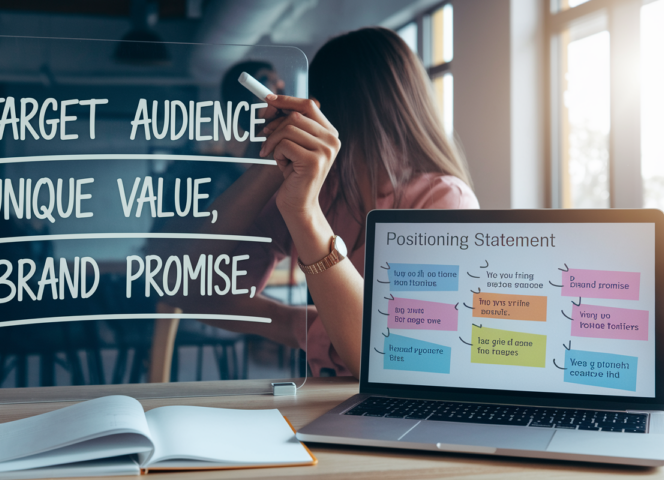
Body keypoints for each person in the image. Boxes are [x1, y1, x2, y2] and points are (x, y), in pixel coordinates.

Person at [160, 27, 479, 378]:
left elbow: (387, 360)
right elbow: (186, 284)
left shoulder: (445, 200)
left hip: (405, 411)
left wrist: (305, 214)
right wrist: (272, 163)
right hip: (326, 401)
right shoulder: (323, 190)